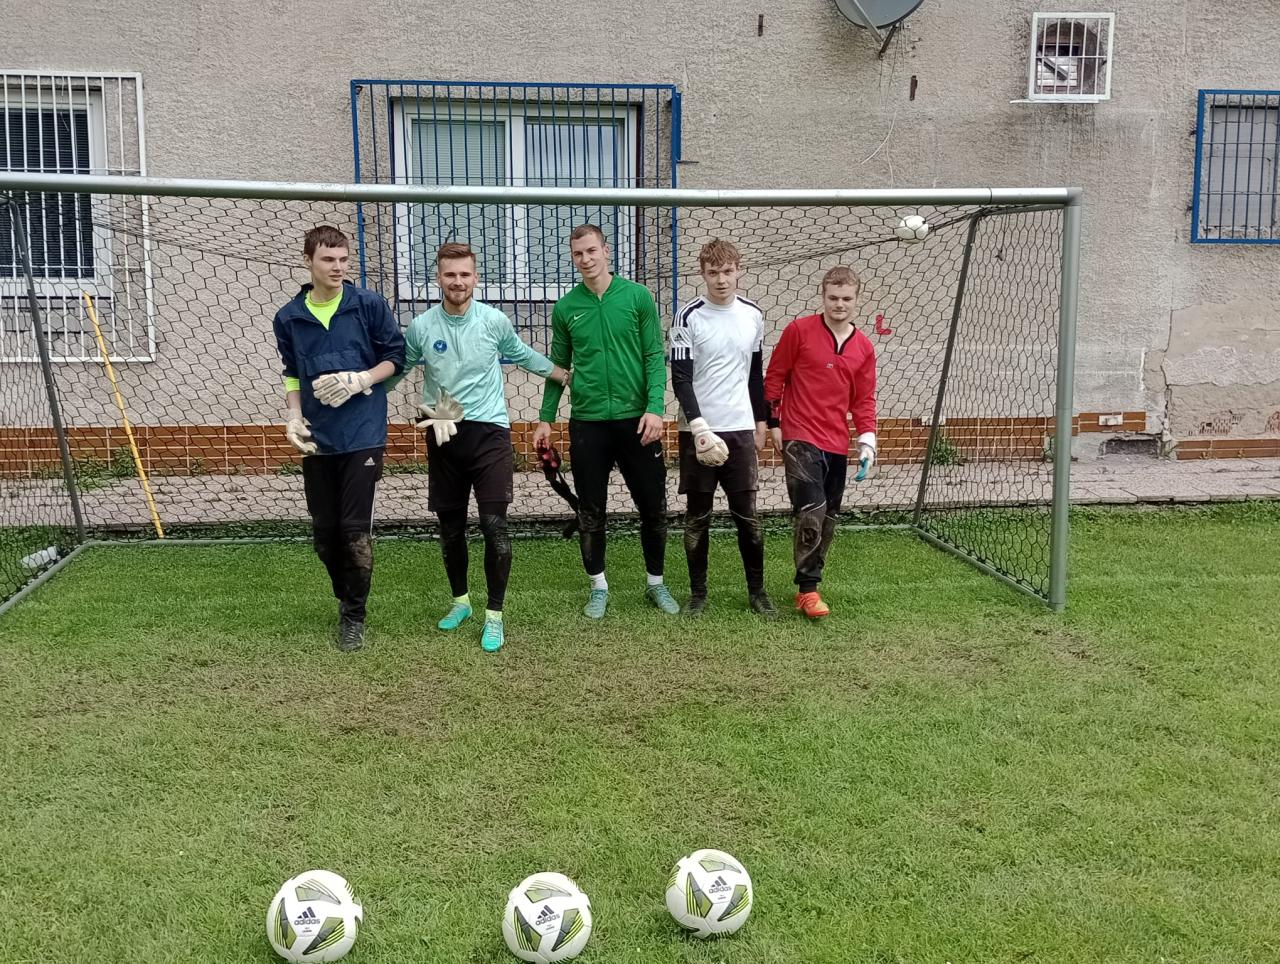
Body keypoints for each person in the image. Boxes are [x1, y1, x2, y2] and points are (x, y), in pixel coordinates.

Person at [394, 242, 570, 652]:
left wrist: (565, 376)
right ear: (438, 278)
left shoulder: (494, 321)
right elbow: (398, 370)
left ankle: (494, 616)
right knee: (450, 529)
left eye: (464, 274)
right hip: (444, 435)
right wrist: (365, 392)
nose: (457, 281)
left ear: (475, 278)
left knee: (494, 527)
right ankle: (461, 603)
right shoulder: (421, 327)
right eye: (450, 274)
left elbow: (522, 355)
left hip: (490, 435)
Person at [532, 223, 677, 619]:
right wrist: (546, 418)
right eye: (578, 254)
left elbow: (653, 357)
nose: (586, 259)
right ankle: (598, 586)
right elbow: (559, 366)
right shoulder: (566, 308)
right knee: (591, 510)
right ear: (573, 257)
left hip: (638, 421)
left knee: (653, 507)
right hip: (588, 423)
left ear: (606, 251)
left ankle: (656, 583)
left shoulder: (637, 297)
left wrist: (655, 407)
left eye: (591, 251)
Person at [272, 225, 405, 651]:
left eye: (344, 260)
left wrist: (362, 378)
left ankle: (354, 616)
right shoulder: (289, 317)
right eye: (328, 259)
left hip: (363, 433)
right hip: (318, 438)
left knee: (353, 531)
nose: (338, 267)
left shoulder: (367, 305)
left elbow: (396, 357)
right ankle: (345, 593)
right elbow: (292, 372)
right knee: (325, 537)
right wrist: (294, 415)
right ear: (308, 260)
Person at [764, 265, 878, 619]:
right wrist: (774, 422)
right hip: (800, 435)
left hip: (836, 441)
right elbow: (775, 377)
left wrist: (867, 440)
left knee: (828, 517)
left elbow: (864, 399)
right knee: (811, 510)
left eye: (846, 298)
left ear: (857, 300)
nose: (839, 304)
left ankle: (811, 581)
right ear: (823, 296)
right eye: (833, 297)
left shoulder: (864, 347)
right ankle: (808, 590)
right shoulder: (799, 331)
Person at [669, 239, 775, 618]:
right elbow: (681, 379)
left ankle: (758, 593)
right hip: (698, 431)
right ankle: (698, 595)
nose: (721, 280)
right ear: (703, 274)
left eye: (727, 271)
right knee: (698, 517)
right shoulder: (688, 317)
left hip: (740, 430)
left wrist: (760, 421)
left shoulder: (753, 315)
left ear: (738, 271)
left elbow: (755, 374)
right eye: (713, 272)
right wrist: (699, 428)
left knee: (748, 516)